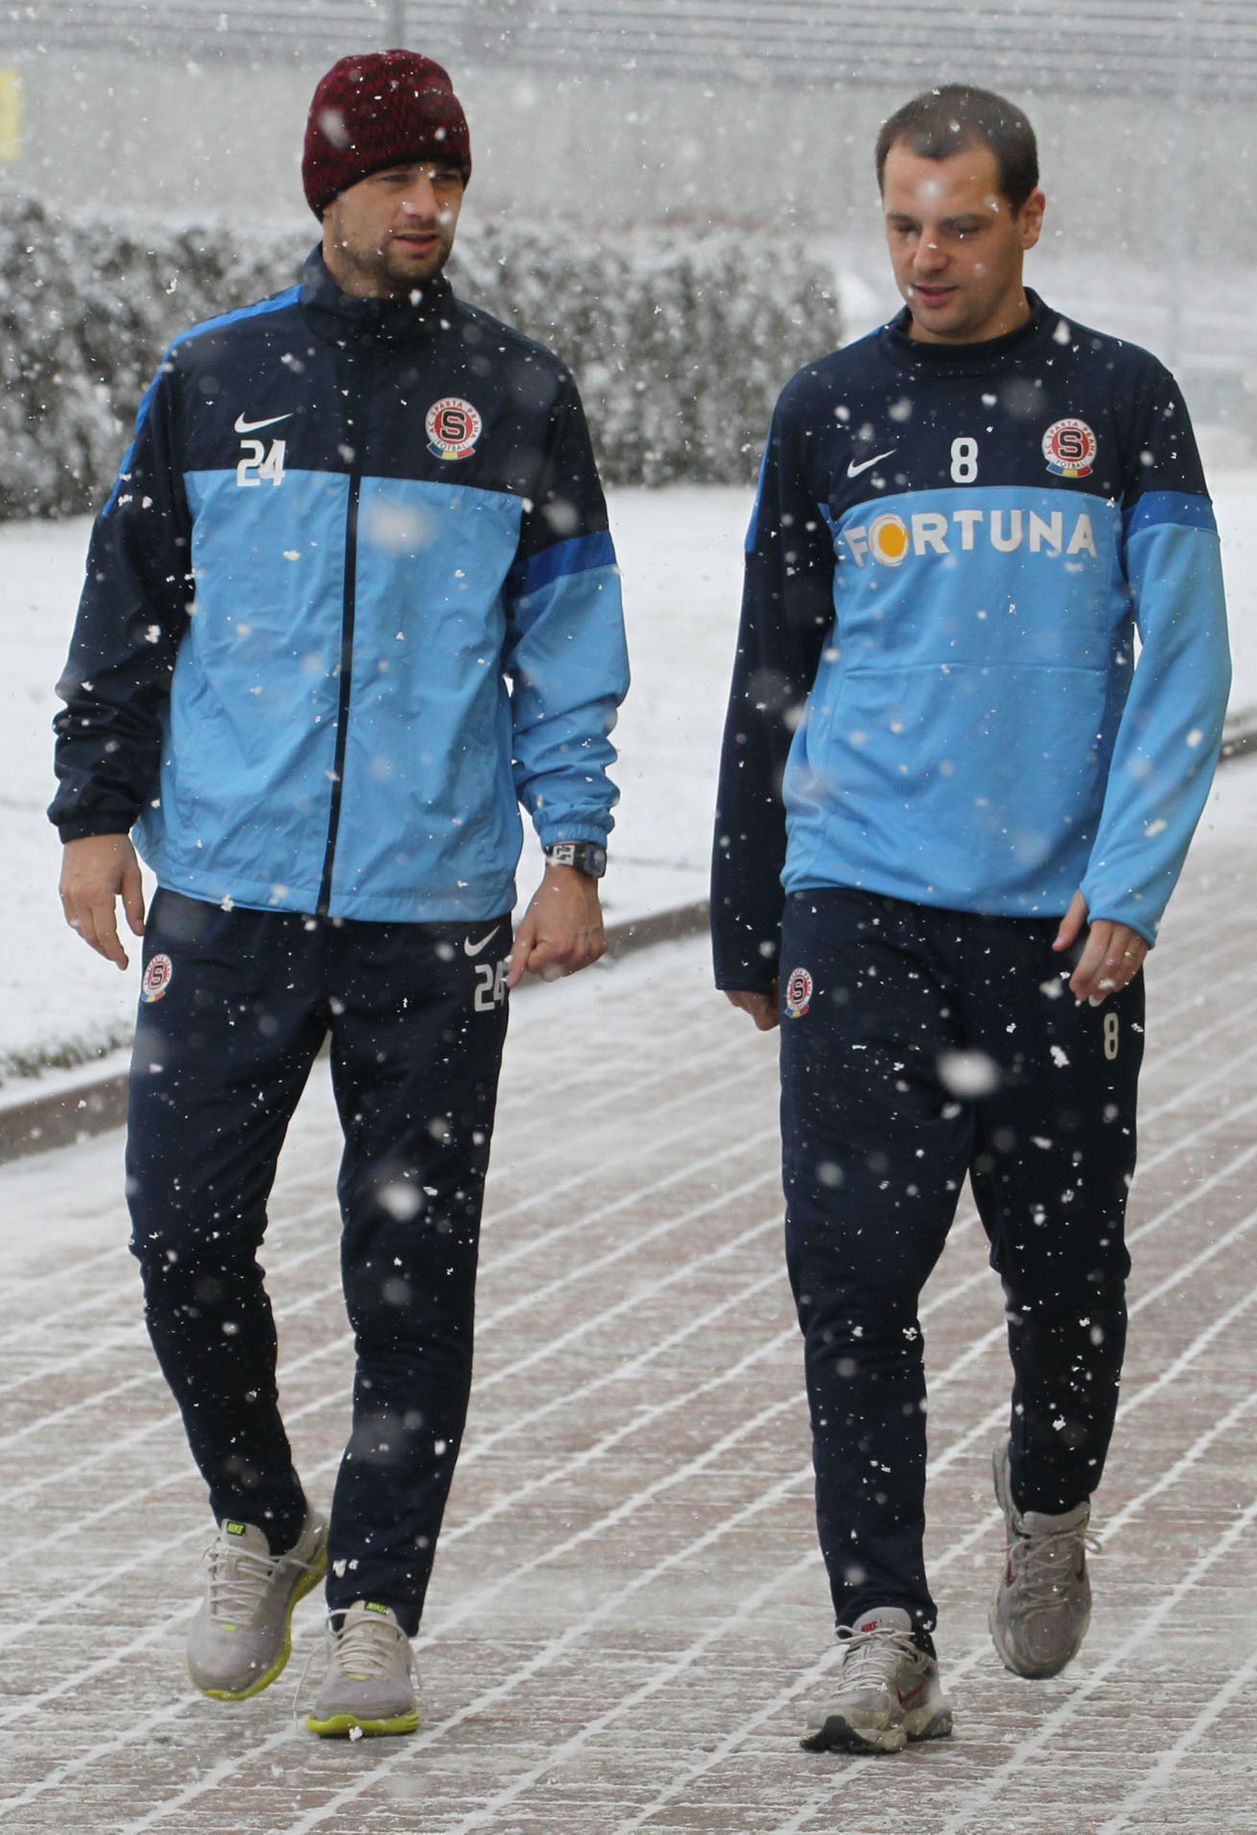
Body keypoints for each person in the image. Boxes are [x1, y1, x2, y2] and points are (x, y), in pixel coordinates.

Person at [51, 49, 628, 1739]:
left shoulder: (517, 393)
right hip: (223, 901)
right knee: (180, 1234)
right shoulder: (213, 375)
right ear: (329, 189)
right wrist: (98, 815)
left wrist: (573, 848)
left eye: (445, 177)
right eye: (393, 178)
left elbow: (566, 647)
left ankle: (376, 1602)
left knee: (411, 1268)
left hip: (431, 910)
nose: (426, 205)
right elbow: (129, 603)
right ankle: (261, 1515)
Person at [711, 83, 1230, 1754]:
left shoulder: (1118, 404)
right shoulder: (832, 409)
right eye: (901, 225)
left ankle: (1054, 1493)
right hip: (860, 907)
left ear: (1026, 218)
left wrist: (1131, 885)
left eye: (959, 224)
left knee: (1064, 1282)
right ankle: (884, 1629)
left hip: (1054, 932)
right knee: (849, 1280)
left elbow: (1189, 665)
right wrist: (748, 899)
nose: (925, 258)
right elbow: (773, 664)